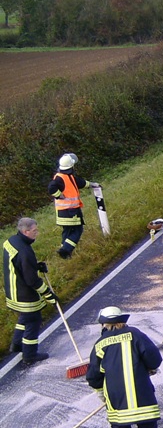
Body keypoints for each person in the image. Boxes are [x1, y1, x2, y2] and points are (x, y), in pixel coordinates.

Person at [86, 306, 163, 428]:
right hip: (142, 395)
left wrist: (101, 393)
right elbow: (154, 358)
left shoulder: (100, 344)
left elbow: (94, 375)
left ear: (104, 324)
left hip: (117, 399)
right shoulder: (135, 334)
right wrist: (149, 368)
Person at [2, 217, 58, 364]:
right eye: (34, 231)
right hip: (24, 295)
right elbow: (32, 280)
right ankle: (29, 354)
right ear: (25, 231)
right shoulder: (25, 251)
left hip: (12, 291)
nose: (37, 233)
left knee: (25, 317)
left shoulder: (11, 242)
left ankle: (17, 344)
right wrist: (48, 295)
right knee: (33, 320)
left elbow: (19, 265)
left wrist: (36, 266)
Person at [47, 153, 99, 259]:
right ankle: (66, 250)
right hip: (70, 211)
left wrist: (92, 184)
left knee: (67, 232)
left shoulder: (65, 177)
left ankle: (65, 254)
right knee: (77, 230)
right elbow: (51, 188)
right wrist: (58, 195)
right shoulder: (61, 178)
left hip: (63, 212)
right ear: (71, 166)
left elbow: (80, 182)